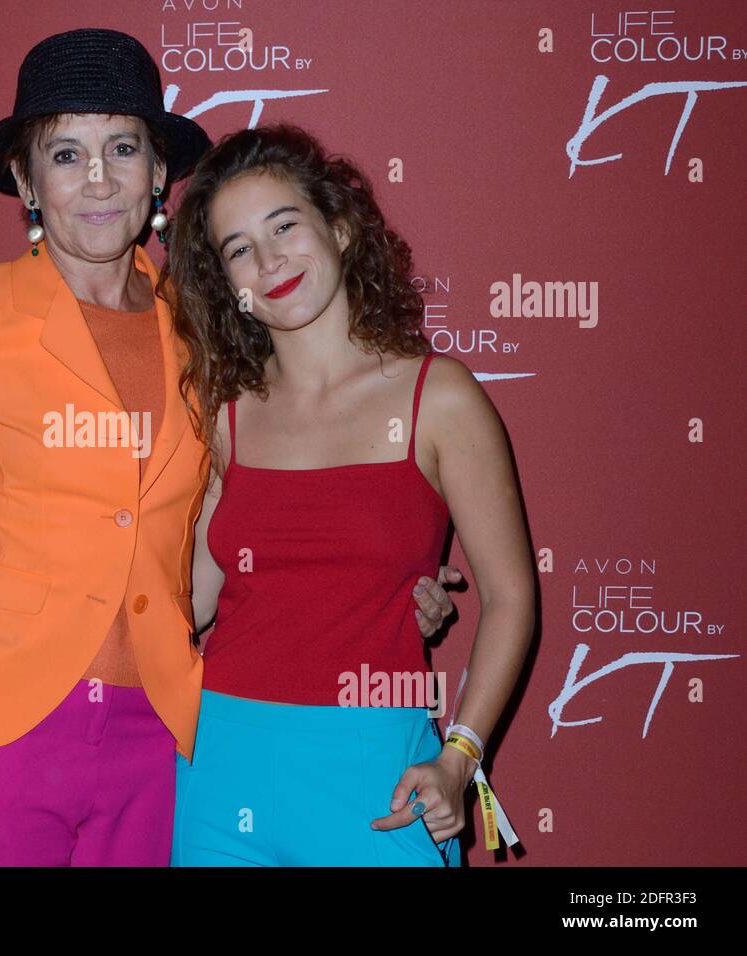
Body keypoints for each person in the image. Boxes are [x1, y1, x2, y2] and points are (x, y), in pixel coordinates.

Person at [0, 30, 457, 867]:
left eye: (122, 148)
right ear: (27, 181)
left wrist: (389, 577)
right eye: (66, 154)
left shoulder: (203, 326)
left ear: (156, 175)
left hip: (158, 739)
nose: (99, 179)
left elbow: (276, 481)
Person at [163, 124, 535, 866]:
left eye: (284, 226)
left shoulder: (440, 396)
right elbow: (190, 602)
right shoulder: (225, 414)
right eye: (239, 249)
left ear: (338, 227)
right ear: (225, 284)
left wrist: (459, 756)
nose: (268, 262)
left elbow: (512, 597)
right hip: (220, 765)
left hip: (379, 782)